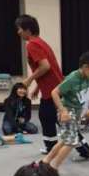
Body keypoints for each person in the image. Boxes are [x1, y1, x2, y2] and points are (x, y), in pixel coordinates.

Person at [43, 52, 89, 170]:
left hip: (77, 112)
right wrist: (62, 111)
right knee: (71, 142)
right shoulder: (72, 78)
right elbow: (54, 92)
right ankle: (53, 168)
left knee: (65, 140)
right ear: (85, 67)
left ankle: (45, 161)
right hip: (67, 111)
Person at [16, 15, 63, 154]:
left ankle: (54, 148)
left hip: (53, 90)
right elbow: (46, 68)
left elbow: (45, 66)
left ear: (27, 30)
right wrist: (38, 87)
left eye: (19, 29)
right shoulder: (41, 42)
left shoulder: (32, 44)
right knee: (52, 117)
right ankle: (55, 147)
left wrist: (29, 80)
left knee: (51, 117)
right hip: (55, 87)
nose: (18, 32)